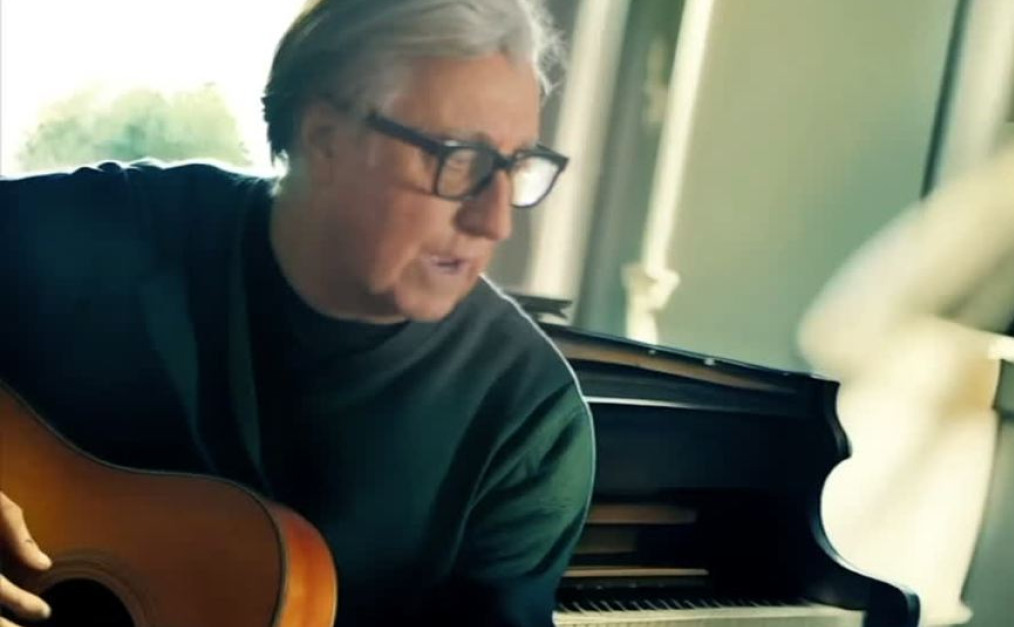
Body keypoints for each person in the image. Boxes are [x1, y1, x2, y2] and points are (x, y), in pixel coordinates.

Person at [0, 0, 595, 625]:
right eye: (460, 159)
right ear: (325, 138)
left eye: (514, 166)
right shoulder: (109, 230)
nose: (495, 221)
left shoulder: (527, 423)